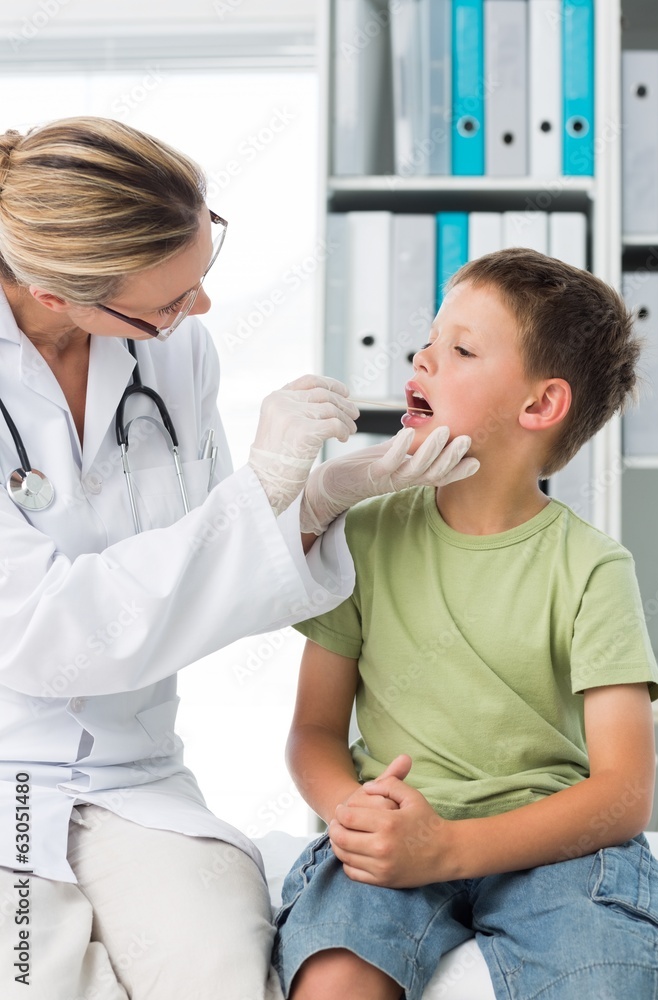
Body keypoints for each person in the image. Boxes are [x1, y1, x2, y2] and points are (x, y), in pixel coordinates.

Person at [0, 116, 477, 1000]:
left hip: (135, 774)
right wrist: (258, 491)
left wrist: (319, 497)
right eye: (167, 302)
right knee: (38, 978)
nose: (199, 313)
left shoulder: (172, 349)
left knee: (221, 975)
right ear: (57, 293)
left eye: (201, 270)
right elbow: (46, 636)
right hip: (7, 778)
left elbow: (210, 570)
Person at [273, 247, 658, 1000]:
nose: (420, 358)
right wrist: (349, 813)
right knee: (331, 977)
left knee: (606, 979)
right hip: (393, 831)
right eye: (425, 342)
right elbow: (313, 733)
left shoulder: (591, 567)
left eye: (458, 349)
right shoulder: (364, 535)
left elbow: (623, 794)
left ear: (539, 406)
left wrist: (449, 849)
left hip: (555, 850)